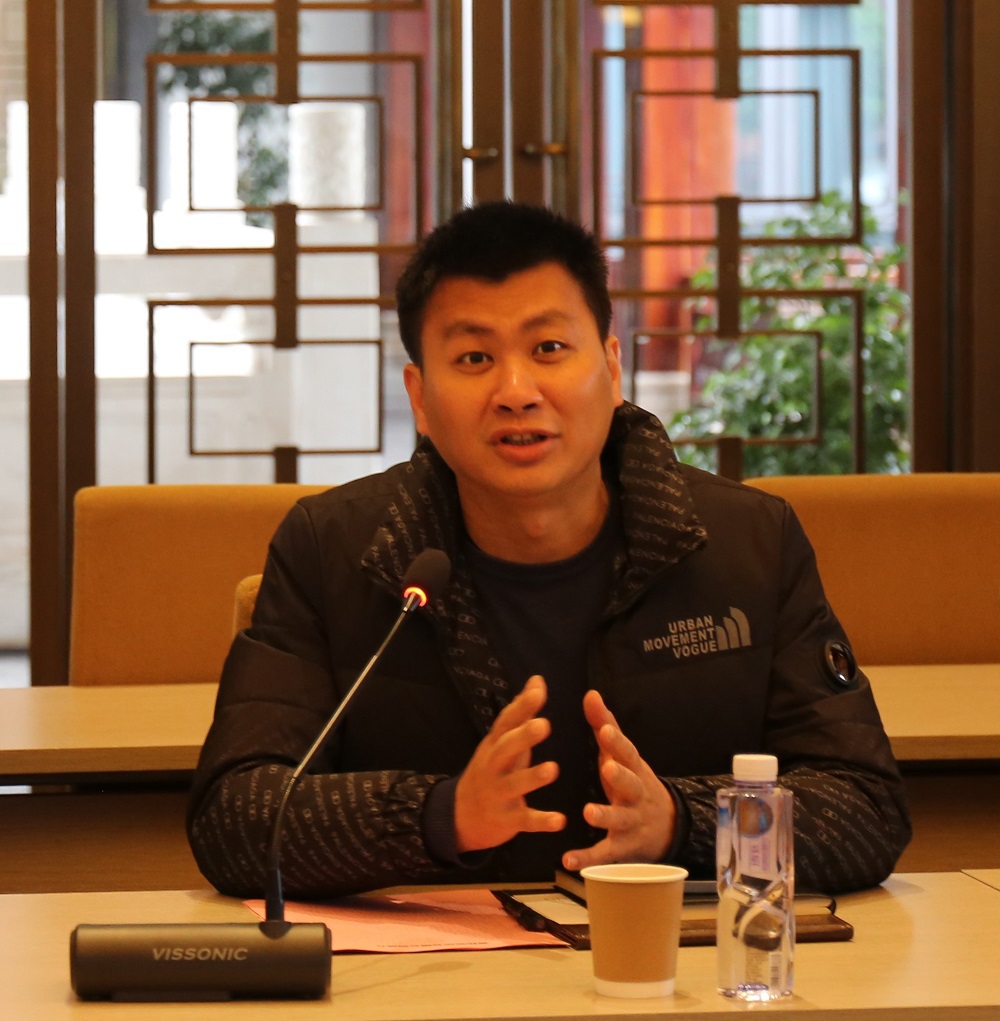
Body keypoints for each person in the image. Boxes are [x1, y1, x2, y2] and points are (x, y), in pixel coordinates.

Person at [187, 201, 910, 899]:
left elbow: (865, 806)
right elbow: (235, 816)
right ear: (420, 396)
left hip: (671, 960)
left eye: (549, 349)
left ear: (612, 366)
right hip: (438, 968)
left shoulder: (747, 544)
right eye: (474, 357)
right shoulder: (334, 550)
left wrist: (682, 824)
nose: (516, 390)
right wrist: (439, 816)